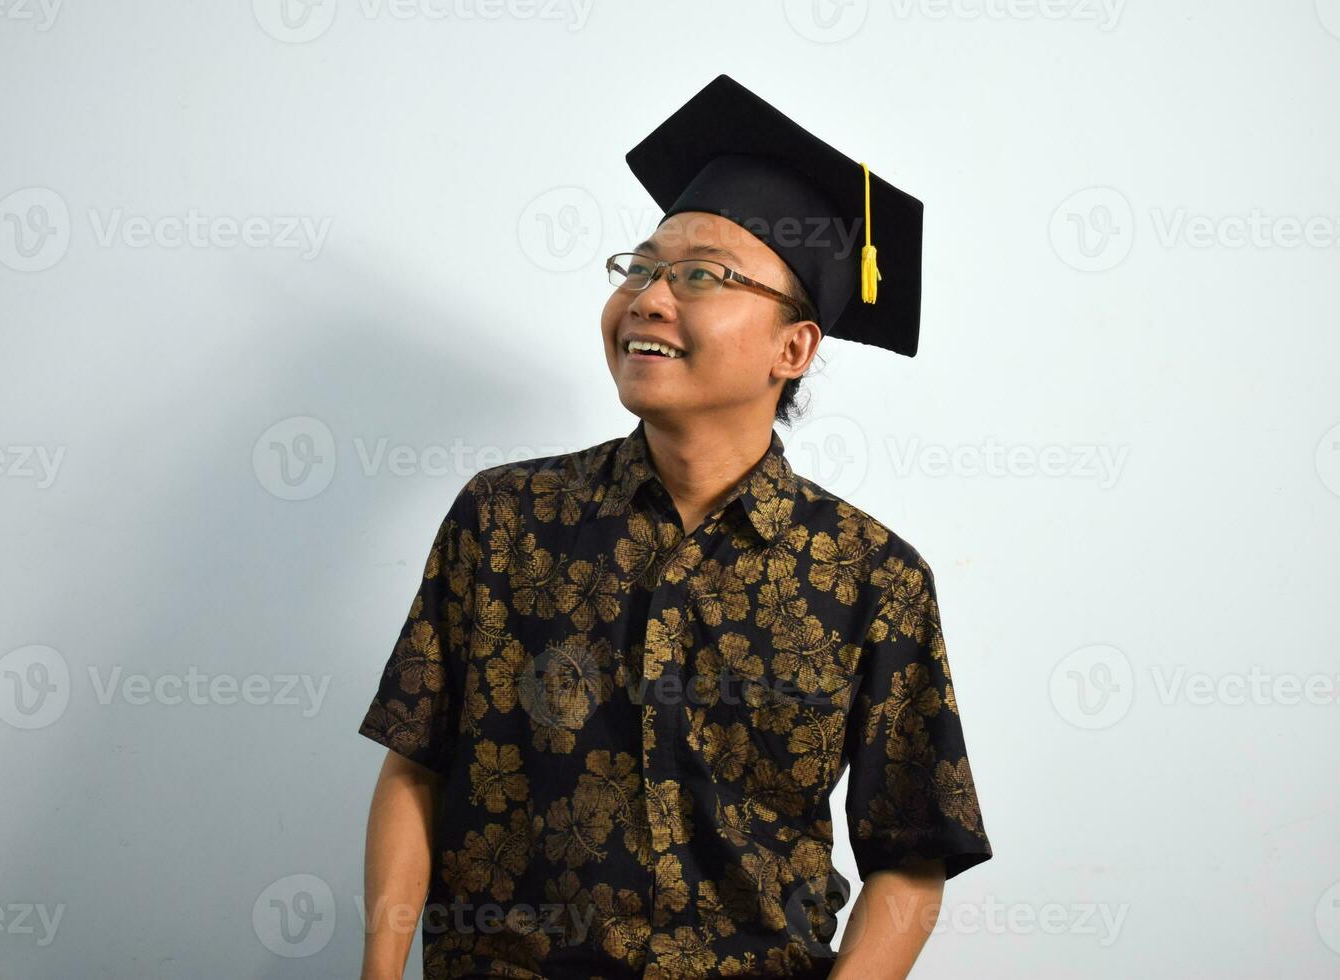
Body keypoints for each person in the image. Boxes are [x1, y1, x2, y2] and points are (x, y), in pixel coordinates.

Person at [359, 74, 992, 980]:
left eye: (702, 276)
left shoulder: (871, 579)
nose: (651, 298)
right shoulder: (504, 520)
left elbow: (909, 859)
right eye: (642, 268)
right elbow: (415, 771)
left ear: (795, 347)